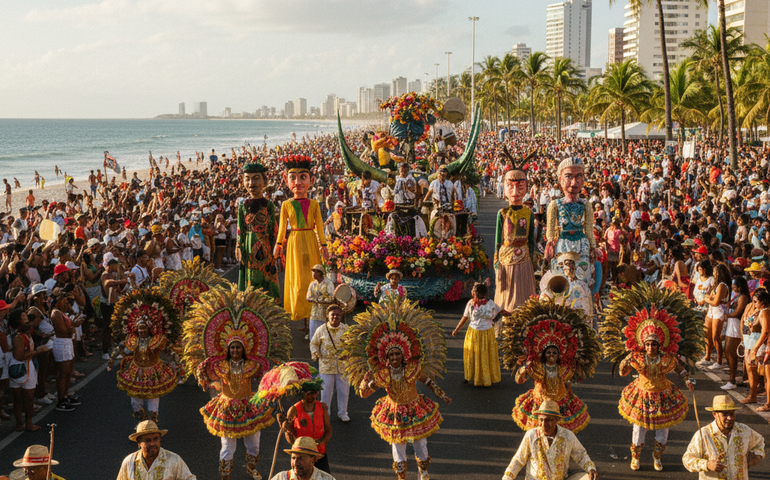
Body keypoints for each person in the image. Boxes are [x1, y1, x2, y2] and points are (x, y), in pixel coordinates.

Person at [182, 286, 291, 480]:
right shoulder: (220, 365)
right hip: (226, 406)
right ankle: (225, 474)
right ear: (227, 348)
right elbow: (203, 372)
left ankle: (251, 467)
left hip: (250, 405)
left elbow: (269, 376)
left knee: (254, 444)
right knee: (227, 446)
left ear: (243, 349)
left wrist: (275, 388)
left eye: (238, 347)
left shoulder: (252, 364)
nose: (234, 350)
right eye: (232, 347)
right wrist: (204, 380)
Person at [343, 297, 451, 480]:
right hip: (394, 412)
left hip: (415, 408)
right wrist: (364, 381)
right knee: (398, 446)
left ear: (404, 355)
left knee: (420, 443)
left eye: (397, 354)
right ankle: (402, 477)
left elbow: (428, 381)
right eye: (391, 354)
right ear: (386, 356)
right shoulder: (384, 375)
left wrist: (442, 394)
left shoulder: (411, 369)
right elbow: (365, 394)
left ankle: (423, 472)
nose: (394, 357)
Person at [619, 322, 694, 471]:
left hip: (663, 396)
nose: (650, 348)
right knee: (639, 430)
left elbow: (680, 368)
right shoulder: (638, 357)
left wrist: (687, 379)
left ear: (658, 346)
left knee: (663, 431)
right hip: (642, 396)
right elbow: (623, 372)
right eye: (647, 345)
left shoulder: (666, 359)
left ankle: (657, 456)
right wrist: (625, 361)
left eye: (653, 345)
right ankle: (636, 456)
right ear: (643, 345)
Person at [107, 289, 180, 422]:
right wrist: (112, 358)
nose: (142, 331)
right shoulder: (133, 340)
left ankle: (152, 424)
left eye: (144, 328)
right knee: (135, 401)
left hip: (154, 372)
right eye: (140, 328)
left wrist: (177, 359)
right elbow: (120, 347)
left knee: (153, 400)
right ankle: (141, 423)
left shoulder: (157, 340)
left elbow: (170, 350)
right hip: (135, 372)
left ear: (149, 329)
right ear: (136, 329)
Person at [274, 155, 329, 327]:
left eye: (302, 177)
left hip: (310, 240)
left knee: (312, 277)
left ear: (311, 180)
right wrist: (278, 245)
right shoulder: (286, 205)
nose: (298, 182)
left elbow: (319, 227)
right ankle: (301, 313)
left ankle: (313, 315)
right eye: (293, 177)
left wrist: (324, 246)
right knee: (297, 279)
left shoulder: (314, 204)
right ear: (286, 179)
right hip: (295, 242)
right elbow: (282, 228)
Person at [502, 399, 598, 480]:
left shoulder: (568, 436)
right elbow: (518, 460)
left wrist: (591, 468)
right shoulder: (531, 435)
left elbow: (580, 455)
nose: (544, 424)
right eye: (541, 420)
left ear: (557, 420)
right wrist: (508, 477)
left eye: (548, 420)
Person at [682, 395, 765, 479]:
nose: (729, 418)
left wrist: (758, 456)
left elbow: (759, 442)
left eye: (732, 414)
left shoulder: (744, 430)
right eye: (725, 414)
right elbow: (687, 459)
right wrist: (706, 464)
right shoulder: (703, 434)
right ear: (715, 414)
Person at [494, 165, 536, 315]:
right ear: (504, 188)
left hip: (524, 257)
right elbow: (498, 240)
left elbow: (531, 239)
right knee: (506, 294)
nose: (515, 192)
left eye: (520, 187)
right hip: (506, 257)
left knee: (523, 292)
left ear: (526, 188)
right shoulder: (502, 213)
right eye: (510, 186)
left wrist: (532, 257)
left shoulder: (529, 213)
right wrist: (496, 262)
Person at [545, 157, 595, 284]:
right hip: (563, 244)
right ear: (560, 179)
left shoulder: (586, 204)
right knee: (562, 278)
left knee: (582, 279)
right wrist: (550, 243)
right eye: (569, 177)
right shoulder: (555, 204)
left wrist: (593, 247)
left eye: (579, 176)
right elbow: (550, 229)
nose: (574, 182)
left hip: (582, 245)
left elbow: (589, 228)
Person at [452, 282, 509, 387]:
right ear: (486, 293)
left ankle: (469, 377)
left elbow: (464, 318)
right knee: (486, 355)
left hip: (473, 333)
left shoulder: (470, 304)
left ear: (474, 293)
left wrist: (456, 330)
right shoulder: (490, 303)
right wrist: (513, 315)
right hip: (487, 332)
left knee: (472, 355)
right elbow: (502, 311)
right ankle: (486, 379)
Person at [237, 162, 279, 298]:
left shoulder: (269, 205)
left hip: (266, 247)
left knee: (266, 280)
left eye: (256, 178)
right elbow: (240, 228)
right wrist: (238, 245)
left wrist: (276, 248)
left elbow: (274, 229)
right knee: (250, 279)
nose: (251, 183)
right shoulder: (242, 205)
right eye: (247, 179)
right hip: (248, 246)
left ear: (264, 181)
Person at [8, 309, 48, 432]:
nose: (27, 319)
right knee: (23, 398)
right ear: (18, 321)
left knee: (25, 398)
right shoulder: (19, 337)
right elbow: (19, 356)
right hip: (21, 368)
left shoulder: (25, 332)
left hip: (24, 367)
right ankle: (22, 424)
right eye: (24, 317)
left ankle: (25, 423)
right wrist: (38, 351)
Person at [116, 420, 196, 480]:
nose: (152, 443)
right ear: (139, 443)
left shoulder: (174, 460)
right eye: (147, 440)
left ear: (160, 439)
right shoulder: (129, 462)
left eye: (155, 439)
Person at [279, 384, 332, 474]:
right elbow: (288, 434)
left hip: (320, 452)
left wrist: (321, 442)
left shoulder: (323, 407)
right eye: (310, 393)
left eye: (315, 393)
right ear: (302, 394)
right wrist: (288, 431)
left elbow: (328, 431)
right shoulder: (294, 410)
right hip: (301, 454)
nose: (314, 396)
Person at [310, 304, 350, 423]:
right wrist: (315, 353)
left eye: (338, 315)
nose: (335, 317)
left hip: (342, 366)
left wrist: (349, 354)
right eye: (333, 314)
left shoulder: (346, 329)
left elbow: (353, 345)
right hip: (326, 366)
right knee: (326, 391)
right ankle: (324, 413)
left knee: (343, 390)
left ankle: (343, 412)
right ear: (327, 316)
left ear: (341, 316)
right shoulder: (321, 329)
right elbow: (314, 343)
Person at [269, 437, 336, 480]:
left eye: (301, 458)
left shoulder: (326, 478)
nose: (296, 463)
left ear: (312, 461)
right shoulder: (280, 478)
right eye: (293, 458)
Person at [306, 265, 335, 341]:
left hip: (325, 314)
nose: (313, 274)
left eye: (315, 272)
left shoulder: (328, 283)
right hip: (314, 313)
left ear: (320, 273)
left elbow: (332, 298)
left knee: (324, 334)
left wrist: (322, 301)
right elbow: (308, 297)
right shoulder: (312, 284)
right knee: (313, 333)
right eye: (313, 271)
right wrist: (315, 300)